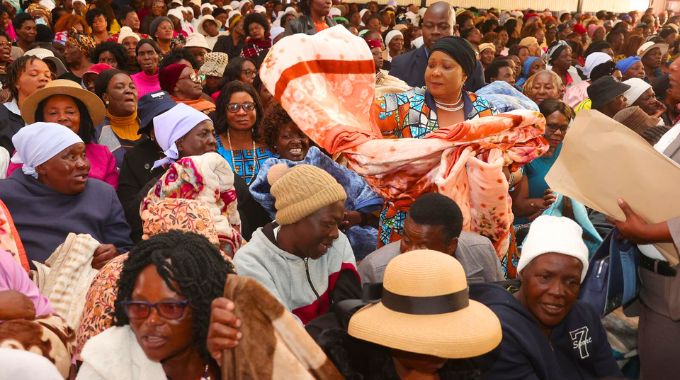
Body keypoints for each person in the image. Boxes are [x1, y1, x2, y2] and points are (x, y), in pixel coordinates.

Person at [372, 35, 497, 245]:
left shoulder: (483, 112)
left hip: (467, 220)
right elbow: (364, 126)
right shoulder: (403, 105)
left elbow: (504, 160)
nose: (435, 72)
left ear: (465, 74)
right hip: (409, 220)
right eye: (431, 65)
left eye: (446, 66)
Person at [473, 215, 622, 379]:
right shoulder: (500, 331)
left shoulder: (584, 316)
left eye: (571, 281)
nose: (558, 291)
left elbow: (610, 374)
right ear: (522, 272)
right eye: (545, 277)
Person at [77, 231, 234, 380]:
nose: (151, 321)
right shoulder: (105, 360)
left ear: (202, 308)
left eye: (170, 308)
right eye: (140, 307)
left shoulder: (232, 354)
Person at [335, 249, 502, 379]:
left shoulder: (465, 368)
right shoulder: (351, 365)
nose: (440, 354)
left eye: (446, 337)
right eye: (428, 341)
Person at [251, 104, 383, 260]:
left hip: (351, 242)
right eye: (287, 136)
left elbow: (362, 190)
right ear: (274, 141)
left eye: (301, 135)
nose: (296, 141)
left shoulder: (319, 159)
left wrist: (357, 216)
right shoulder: (270, 171)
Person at [233, 163, 359, 324]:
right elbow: (284, 333)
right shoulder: (251, 262)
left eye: (338, 223)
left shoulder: (337, 242)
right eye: (328, 223)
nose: (335, 233)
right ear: (294, 218)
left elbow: (351, 310)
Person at [0, 122, 132, 265]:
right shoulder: (5, 196)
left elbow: (125, 248)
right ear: (41, 166)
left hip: (95, 283)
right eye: (71, 157)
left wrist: (115, 254)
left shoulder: (103, 194)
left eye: (83, 155)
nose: (83, 164)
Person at [359, 192, 504, 285]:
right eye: (407, 241)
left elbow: (497, 303)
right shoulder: (375, 270)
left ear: (451, 246)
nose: (411, 252)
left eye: (423, 246)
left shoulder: (481, 251)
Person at [8, 79, 118, 188]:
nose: (62, 118)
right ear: (42, 119)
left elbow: (109, 198)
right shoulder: (27, 152)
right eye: (53, 113)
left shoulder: (102, 155)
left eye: (70, 112)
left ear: (82, 117)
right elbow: (14, 192)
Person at [116, 90, 176, 242]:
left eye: (175, 120)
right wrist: (162, 179)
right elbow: (130, 214)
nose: (172, 126)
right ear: (151, 132)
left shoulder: (195, 146)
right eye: (163, 123)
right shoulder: (135, 157)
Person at [389, 2, 485, 92]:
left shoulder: (473, 67)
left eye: (443, 27)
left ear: (455, 29)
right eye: (429, 26)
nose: (435, 32)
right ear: (422, 28)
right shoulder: (401, 65)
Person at [511, 100, 573, 224]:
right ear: (539, 124)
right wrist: (553, 203)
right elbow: (518, 206)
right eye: (552, 126)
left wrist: (559, 203)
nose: (558, 133)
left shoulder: (567, 151)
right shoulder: (525, 153)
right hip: (525, 228)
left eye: (563, 128)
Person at [213, 81, 274, 186]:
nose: (242, 112)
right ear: (224, 110)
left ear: (257, 109)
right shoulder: (213, 146)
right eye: (233, 107)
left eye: (248, 106)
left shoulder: (271, 143)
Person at [0, 56, 51, 152]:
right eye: (34, 74)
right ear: (16, 81)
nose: (43, 79)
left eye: (48, 76)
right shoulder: (2, 114)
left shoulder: (57, 118)